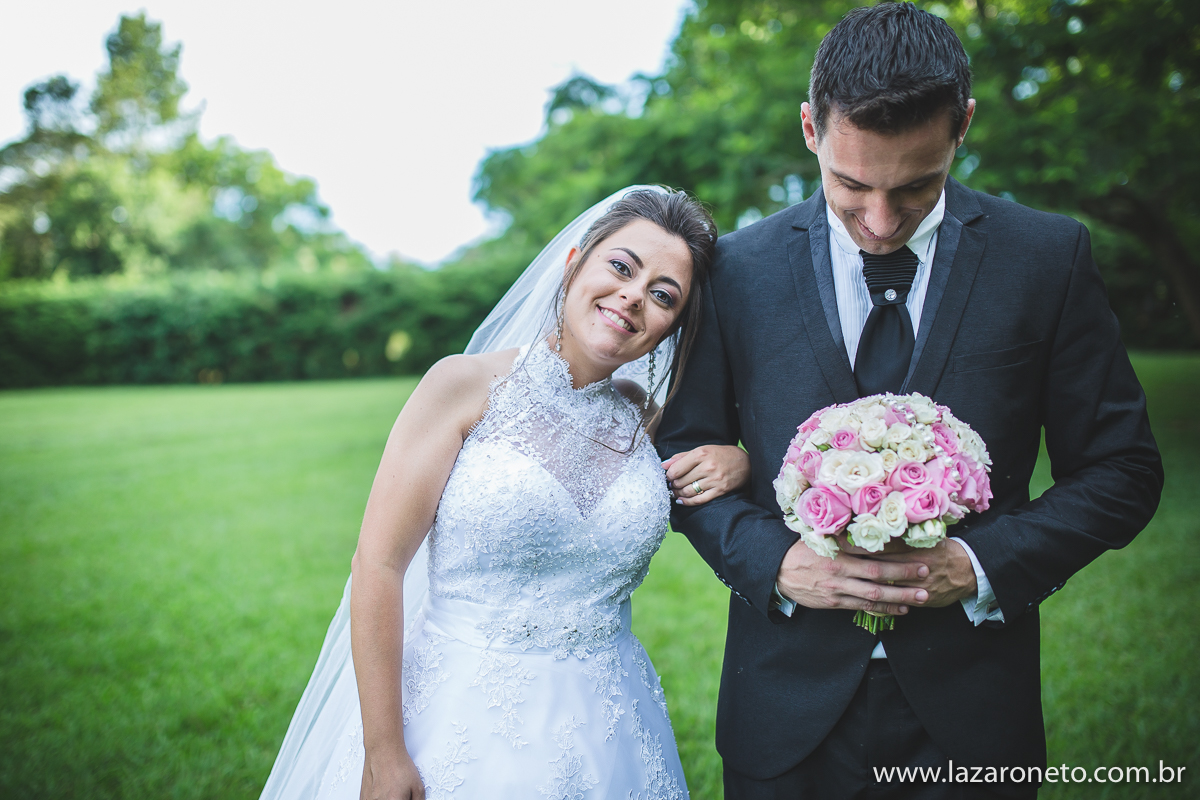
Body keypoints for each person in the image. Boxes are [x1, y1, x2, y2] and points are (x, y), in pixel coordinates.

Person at [657, 4, 1163, 799]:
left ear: (963, 125)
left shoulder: (1047, 258)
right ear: (809, 129)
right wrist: (777, 563)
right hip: (783, 709)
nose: (881, 222)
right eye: (851, 186)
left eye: (918, 186)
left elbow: (1123, 470)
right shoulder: (735, 270)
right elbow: (681, 457)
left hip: (973, 712)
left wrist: (980, 564)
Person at [258, 186, 752, 800]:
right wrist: (384, 754)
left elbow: (705, 466)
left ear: (670, 327)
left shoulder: (648, 423)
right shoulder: (462, 387)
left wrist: (741, 461)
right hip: (460, 719)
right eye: (622, 267)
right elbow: (379, 566)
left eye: (661, 294)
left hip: (611, 723)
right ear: (574, 262)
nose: (632, 296)